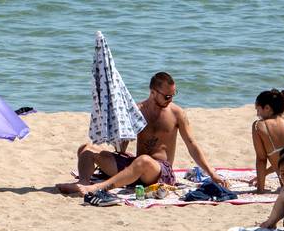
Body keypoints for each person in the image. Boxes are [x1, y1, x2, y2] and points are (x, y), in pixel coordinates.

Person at [65, 72, 227, 196]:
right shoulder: (137, 110)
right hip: (136, 166)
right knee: (86, 149)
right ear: (153, 92)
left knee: (143, 161)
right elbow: (122, 147)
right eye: (167, 96)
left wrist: (211, 173)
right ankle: (84, 182)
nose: (170, 99)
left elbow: (192, 144)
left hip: (159, 171)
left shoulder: (177, 114)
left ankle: (96, 188)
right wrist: (121, 137)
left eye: (173, 95)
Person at [250, 88, 284, 193]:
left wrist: (260, 189)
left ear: (267, 108)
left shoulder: (259, 125)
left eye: (258, 110)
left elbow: (261, 159)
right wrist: (265, 173)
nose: (257, 114)